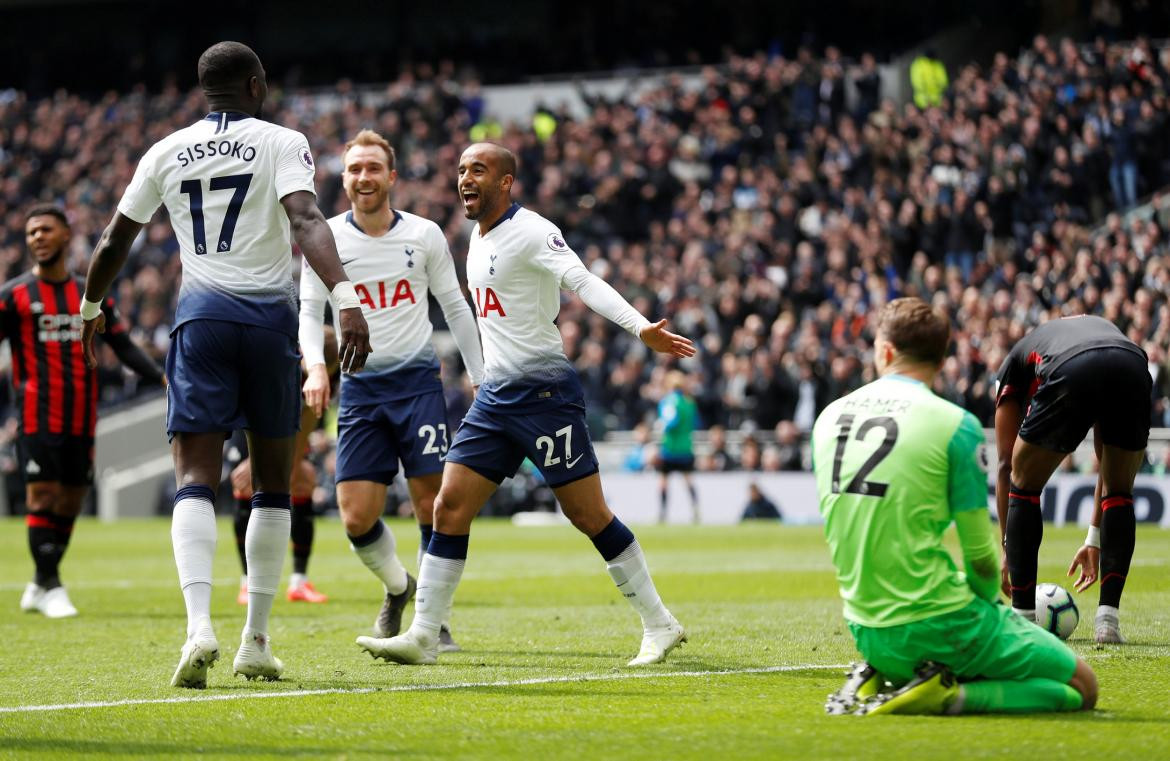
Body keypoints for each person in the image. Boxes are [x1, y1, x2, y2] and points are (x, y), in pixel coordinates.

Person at [79, 41, 371, 689]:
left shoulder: (164, 150)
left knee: (195, 475)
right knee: (273, 479)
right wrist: (346, 299)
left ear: (203, 87)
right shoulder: (281, 140)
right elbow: (305, 218)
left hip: (201, 320)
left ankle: (197, 627)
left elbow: (111, 240)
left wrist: (90, 305)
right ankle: (256, 640)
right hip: (268, 325)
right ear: (256, 84)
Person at [356, 142, 694, 667]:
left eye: (479, 170)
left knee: (588, 514)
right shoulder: (476, 233)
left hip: (544, 397)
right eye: (462, 169)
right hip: (495, 398)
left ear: (506, 181)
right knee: (448, 507)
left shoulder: (534, 231)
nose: (466, 178)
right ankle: (424, 634)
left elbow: (582, 280)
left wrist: (639, 328)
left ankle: (659, 623)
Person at [814, 297, 1096, 716]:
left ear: (886, 352)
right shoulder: (955, 424)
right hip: (941, 626)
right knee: (1082, 687)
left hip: (866, 629)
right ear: (943, 359)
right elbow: (982, 562)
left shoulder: (828, 418)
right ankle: (948, 695)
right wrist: (996, 608)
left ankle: (885, 674)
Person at [299, 129, 484, 650]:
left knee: (432, 505)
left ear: (392, 177)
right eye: (355, 169)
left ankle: (434, 617)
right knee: (356, 516)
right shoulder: (325, 236)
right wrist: (316, 366)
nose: (364, 177)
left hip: (418, 386)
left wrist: (479, 375)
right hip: (358, 390)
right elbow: (310, 311)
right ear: (344, 177)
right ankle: (401, 586)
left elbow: (454, 305)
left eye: (373, 168)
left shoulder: (424, 235)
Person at [9, 205, 164, 619]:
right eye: (30, 232)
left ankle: (41, 581)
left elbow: (122, 344)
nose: (37, 237)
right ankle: (52, 584)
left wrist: (160, 378)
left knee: (72, 499)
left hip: (81, 415)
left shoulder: (90, 295)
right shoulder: (14, 296)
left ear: (66, 235)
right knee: (42, 496)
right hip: (36, 416)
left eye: (45, 230)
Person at [995, 315, 1150, 644]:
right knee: (1120, 491)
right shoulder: (1087, 330)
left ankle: (1022, 619)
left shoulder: (1013, 364)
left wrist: (1008, 546)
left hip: (1071, 366)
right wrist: (1094, 536)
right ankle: (1108, 621)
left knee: (1024, 484)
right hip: (1133, 363)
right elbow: (1105, 463)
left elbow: (1007, 466)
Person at [227, 325, 341, 605]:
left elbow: (312, 413)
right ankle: (247, 582)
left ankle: (299, 583)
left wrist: (294, 459)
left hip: (289, 427)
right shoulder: (279, 366)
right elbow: (256, 409)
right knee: (247, 481)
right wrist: (257, 460)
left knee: (302, 478)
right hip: (247, 425)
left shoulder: (331, 371)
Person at [656, 370, 699, 523]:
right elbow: (696, 423)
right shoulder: (690, 403)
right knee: (688, 480)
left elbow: (670, 422)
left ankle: (663, 513)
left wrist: (661, 427)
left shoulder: (667, 401)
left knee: (663, 481)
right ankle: (695, 509)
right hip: (686, 447)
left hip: (670, 447)